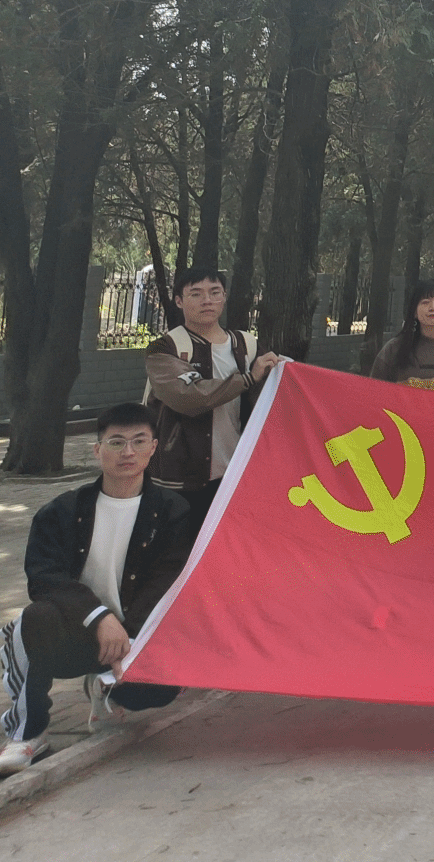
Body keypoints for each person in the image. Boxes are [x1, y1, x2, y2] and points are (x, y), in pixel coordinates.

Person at [1, 404, 189, 772]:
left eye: (138, 441)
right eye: (116, 442)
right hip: (77, 631)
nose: (128, 452)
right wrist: (99, 616)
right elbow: (43, 577)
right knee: (32, 620)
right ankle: (28, 732)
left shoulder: (173, 511)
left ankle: (106, 688)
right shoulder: (60, 511)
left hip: (134, 635)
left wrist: (129, 637)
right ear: (97, 449)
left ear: (153, 448)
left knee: (165, 686)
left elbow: (168, 581)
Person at [144, 266, 285, 520]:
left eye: (215, 292)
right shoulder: (164, 348)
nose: (207, 300)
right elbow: (189, 397)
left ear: (224, 297)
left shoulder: (246, 345)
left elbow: (280, 392)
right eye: (196, 294)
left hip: (236, 472)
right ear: (179, 301)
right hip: (180, 478)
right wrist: (248, 378)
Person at [369, 278, 434, 393]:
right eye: (425, 302)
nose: (433, 307)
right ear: (414, 311)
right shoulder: (394, 348)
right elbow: (374, 391)